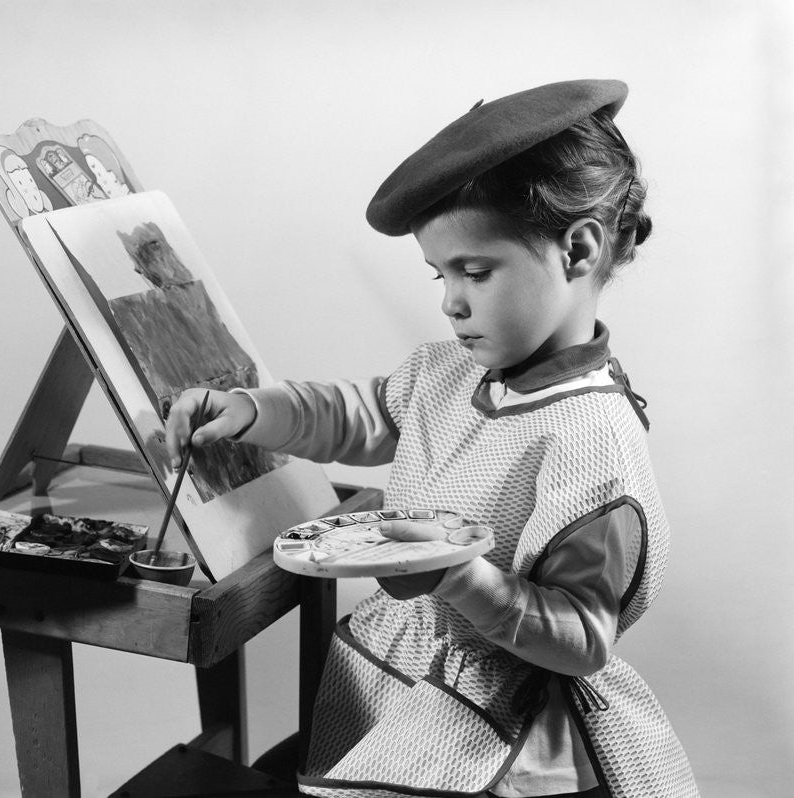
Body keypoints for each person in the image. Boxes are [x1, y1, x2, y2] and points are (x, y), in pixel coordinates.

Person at [165, 79, 698, 798]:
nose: (450, 301)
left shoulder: (591, 441)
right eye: (439, 274)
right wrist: (252, 409)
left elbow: (581, 638)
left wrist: (455, 572)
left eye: (475, 271)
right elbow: (355, 415)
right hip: (413, 670)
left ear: (578, 249)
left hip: (506, 721)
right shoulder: (444, 372)